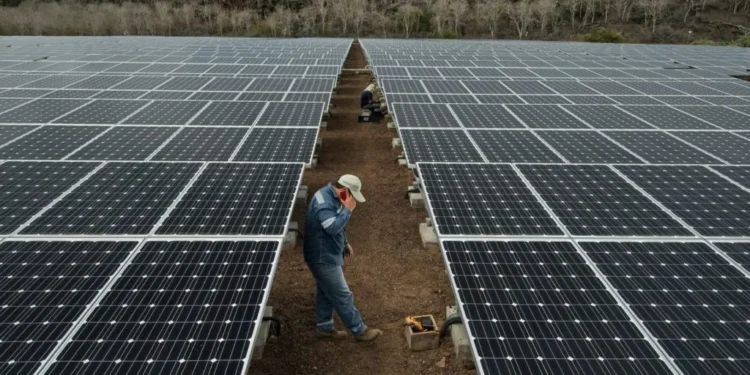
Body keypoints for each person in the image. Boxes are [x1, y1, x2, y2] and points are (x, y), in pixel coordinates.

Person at [303, 175, 382, 342]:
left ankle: (324, 327)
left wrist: (345, 242)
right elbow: (331, 227)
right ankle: (360, 331)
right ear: (345, 190)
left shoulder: (333, 196)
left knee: (326, 290)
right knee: (342, 294)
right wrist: (348, 210)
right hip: (322, 256)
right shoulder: (324, 203)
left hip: (328, 253)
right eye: (352, 195)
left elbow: (336, 224)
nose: (352, 200)